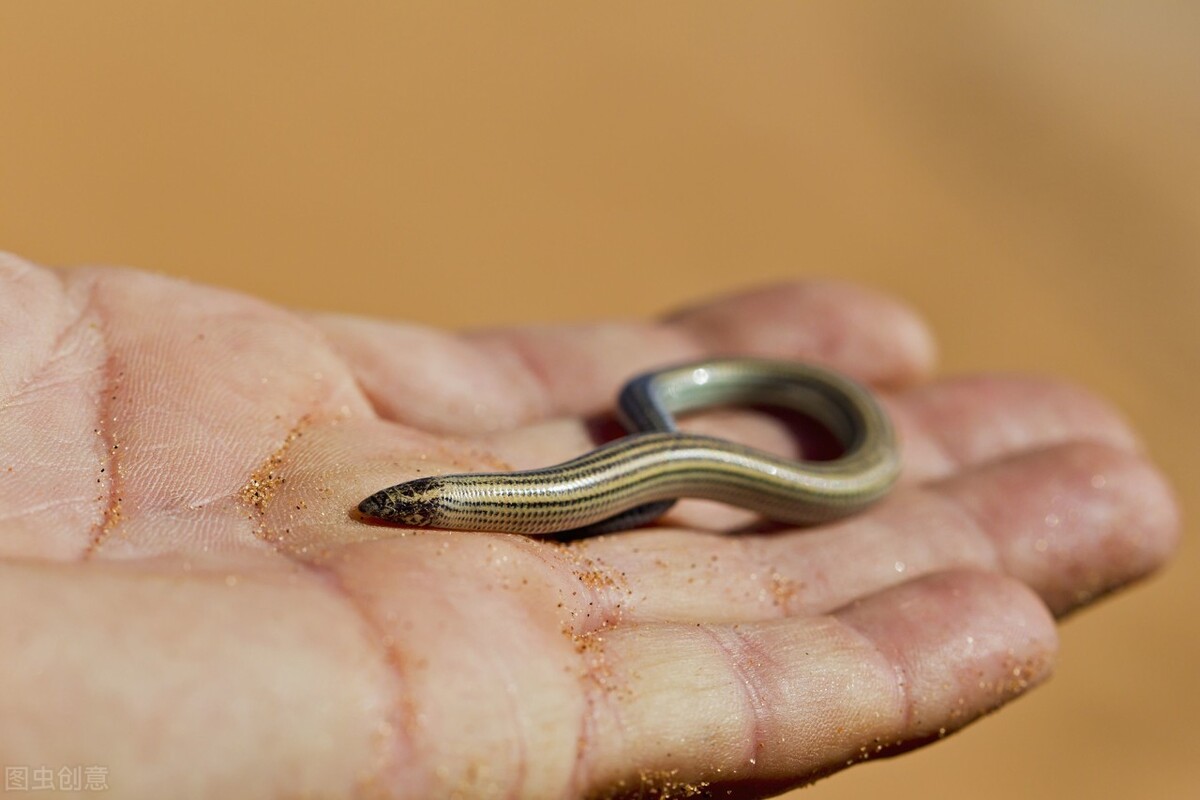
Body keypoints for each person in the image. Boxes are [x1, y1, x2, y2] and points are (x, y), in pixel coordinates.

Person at [0, 253, 1177, 799]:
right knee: (648, 447)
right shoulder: (481, 504)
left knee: (670, 443)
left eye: (411, 503)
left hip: (803, 462)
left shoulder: (494, 494)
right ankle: (675, 424)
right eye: (410, 506)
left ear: (437, 504)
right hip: (649, 451)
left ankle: (694, 422)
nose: (405, 508)